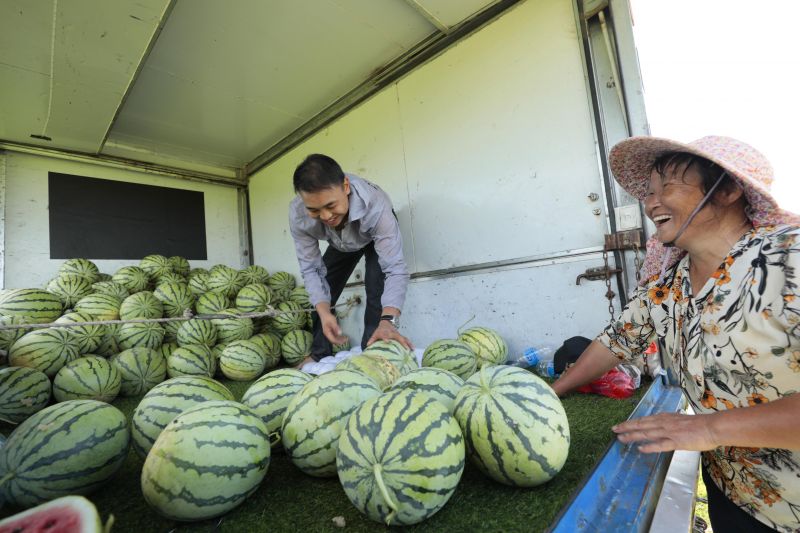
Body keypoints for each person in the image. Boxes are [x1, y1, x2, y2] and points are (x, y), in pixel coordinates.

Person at [551, 136, 800, 532]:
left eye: (668, 188)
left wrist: (708, 428)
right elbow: (614, 342)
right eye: (649, 193)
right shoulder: (667, 286)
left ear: (730, 190)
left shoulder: (788, 259)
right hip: (732, 491)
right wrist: (552, 393)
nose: (652, 204)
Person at [288, 154, 413, 366]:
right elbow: (311, 269)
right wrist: (324, 311)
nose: (326, 216)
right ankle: (319, 354)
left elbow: (395, 268)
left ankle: (372, 353)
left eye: (330, 205)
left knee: (376, 286)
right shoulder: (298, 214)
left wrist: (388, 319)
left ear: (346, 186)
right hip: (340, 242)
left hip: (371, 235)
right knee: (322, 292)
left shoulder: (375, 204)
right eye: (314, 210)